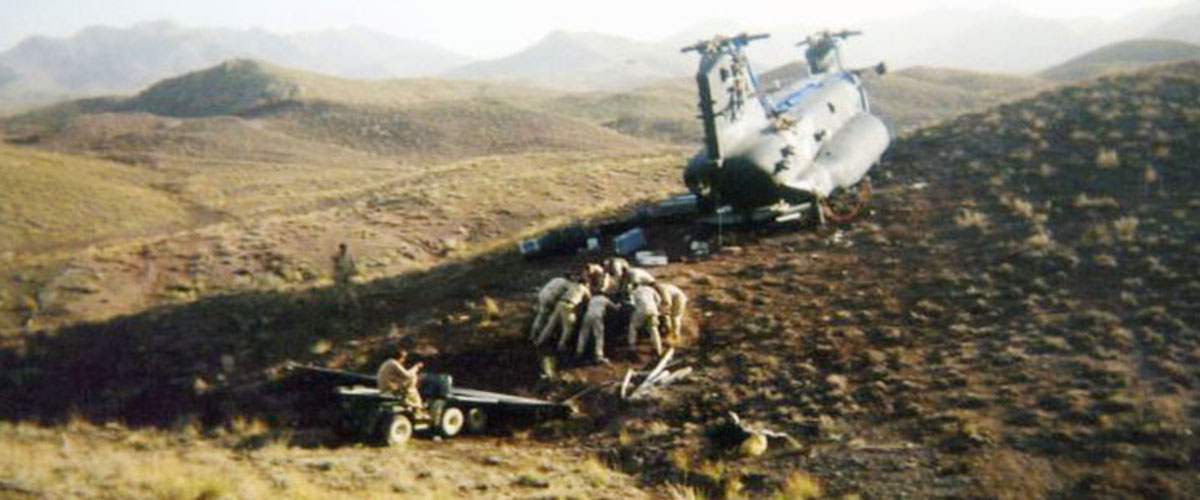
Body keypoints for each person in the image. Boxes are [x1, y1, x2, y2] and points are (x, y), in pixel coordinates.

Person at [535, 276, 590, 350]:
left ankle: (539, 341)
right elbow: (589, 299)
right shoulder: (584, 288)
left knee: (551, 325)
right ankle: (561, 346)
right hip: (569, 306)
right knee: (568, 328)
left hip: (560, 303)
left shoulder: (572, 285)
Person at [577, 295, 616, 363]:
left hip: (588, 315)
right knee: (599, 336)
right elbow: (614, 307)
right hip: (597, 315)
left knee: (583, 334)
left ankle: (579, 351)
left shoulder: (593, 298)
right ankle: (598, 355)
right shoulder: (605, 298)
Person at [531, 276, 570, 341]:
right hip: (550, 297)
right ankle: (549, 334)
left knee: (540, 316)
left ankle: (533, 334)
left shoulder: (557, 279)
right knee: (551, 317)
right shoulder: (567, 283)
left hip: (542, 294)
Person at [628, 285, 664, 356]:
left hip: (641, 310)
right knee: (653, 329)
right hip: (653, 310)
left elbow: (631, 303)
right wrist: (655, 306)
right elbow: (659, 300)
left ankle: (632, 347)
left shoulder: (634, 292)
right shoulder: (650, 289)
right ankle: (658, 350)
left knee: (633, 327)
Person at [332, 242, 358, 310]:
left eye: (345, 248)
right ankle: (341, 306)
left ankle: (354, 303)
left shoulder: (349, 255)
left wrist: (353, 271)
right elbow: (334, 264)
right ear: (340, 249)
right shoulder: (337, 256)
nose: (344, 250)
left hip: (348, 274)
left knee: (350, 290)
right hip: (340, 275)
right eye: (342, 248)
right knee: (341, 292)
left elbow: (352, 264)